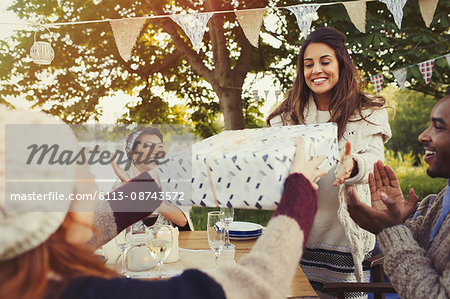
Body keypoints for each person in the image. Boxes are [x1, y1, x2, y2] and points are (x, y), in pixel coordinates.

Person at [0, 107, 328, 299]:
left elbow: (92, 226)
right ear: (65, 213)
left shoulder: (26, 268)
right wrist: (299, 192)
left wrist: (156, 180)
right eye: (79, 168)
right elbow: (259, 284)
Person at [267, 27, 392, 297]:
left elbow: (375, 162)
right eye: (308, 64)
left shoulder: (368, 111)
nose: (316, 70)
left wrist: (354, 166)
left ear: (340, 64)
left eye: (325, 61)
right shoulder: (287, 117)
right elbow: (272, 168)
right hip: (298, 237)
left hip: (345, 240)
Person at [347, 95, 450, 298]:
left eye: (438, 127)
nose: (422, 136)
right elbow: (424, 242)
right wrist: (395, 219)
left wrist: (388, 230)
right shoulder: (444, 196)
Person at [111, 126, 193, 231]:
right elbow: (116, 227)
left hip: (165, 244)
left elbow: (182, 220)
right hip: (134, 245)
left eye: (159, 147)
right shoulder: (120, 184)